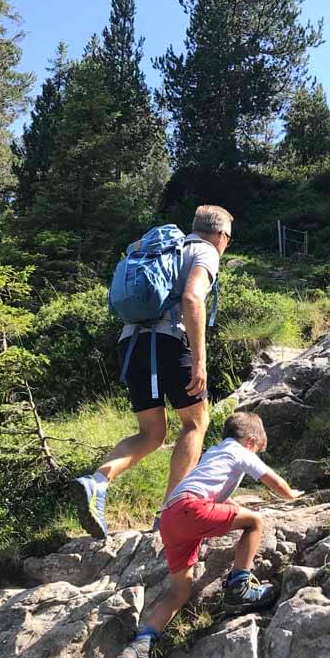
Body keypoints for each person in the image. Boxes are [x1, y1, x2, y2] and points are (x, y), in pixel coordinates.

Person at [72, 206, 234, 539]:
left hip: (132, 342)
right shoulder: (205, 251)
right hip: (170, 342)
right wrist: (200, 360)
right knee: (195, 422)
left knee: (151, 434)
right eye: (228, 239)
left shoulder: (156, 248)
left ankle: (97, 482)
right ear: (221, 236)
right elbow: (192, 298)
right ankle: (173, 513)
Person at [117, 411, 303, 658]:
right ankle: (240, 586)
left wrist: (226, 506)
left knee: (179, 592)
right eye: (259, 449)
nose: (258, 454)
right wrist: (293, 496)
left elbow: (208, 488)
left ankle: (140, 645)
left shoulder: (214, 452)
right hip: (191, 509)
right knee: (254, 522)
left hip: (170, 516)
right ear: (251, 442)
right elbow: (274, 482)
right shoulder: (240, 451)